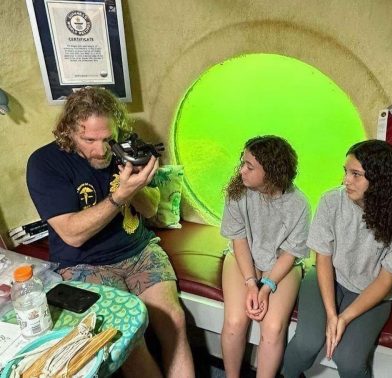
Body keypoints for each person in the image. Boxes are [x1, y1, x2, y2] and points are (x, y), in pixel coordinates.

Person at [26, 87, 194, 378]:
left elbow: (151, 209)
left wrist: (136, 184)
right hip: (84, 262)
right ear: (68, 132)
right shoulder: (45, 163)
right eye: (89, 140)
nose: (101, 150)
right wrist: (119, 196)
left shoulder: (121, 149)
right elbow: (72, 234)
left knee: (175, 320)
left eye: (107, 138)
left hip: (138, 251)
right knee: (131, 340)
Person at [282, 140, 392, 378]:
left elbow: (384, 282)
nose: (346, 180)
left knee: (349, 361)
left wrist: (344, 318)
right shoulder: (331, 201)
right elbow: (323, 259)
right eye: (346, 171)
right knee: (306, 343)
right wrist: (331, 314)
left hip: (372, 290)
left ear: (380, 180)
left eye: (356, 174)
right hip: (328, 278)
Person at [220, 136, 310, 378]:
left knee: (272, 327)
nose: (242, 171)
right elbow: (238, 239)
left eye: (250, 167)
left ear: (271, 173)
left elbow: (291, 253)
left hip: (282, 264)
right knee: (235, 322)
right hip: (243, 256)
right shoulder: (237, 192)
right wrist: (250, 283)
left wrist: (266, 287)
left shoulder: (299, 204)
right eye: (243, 163)